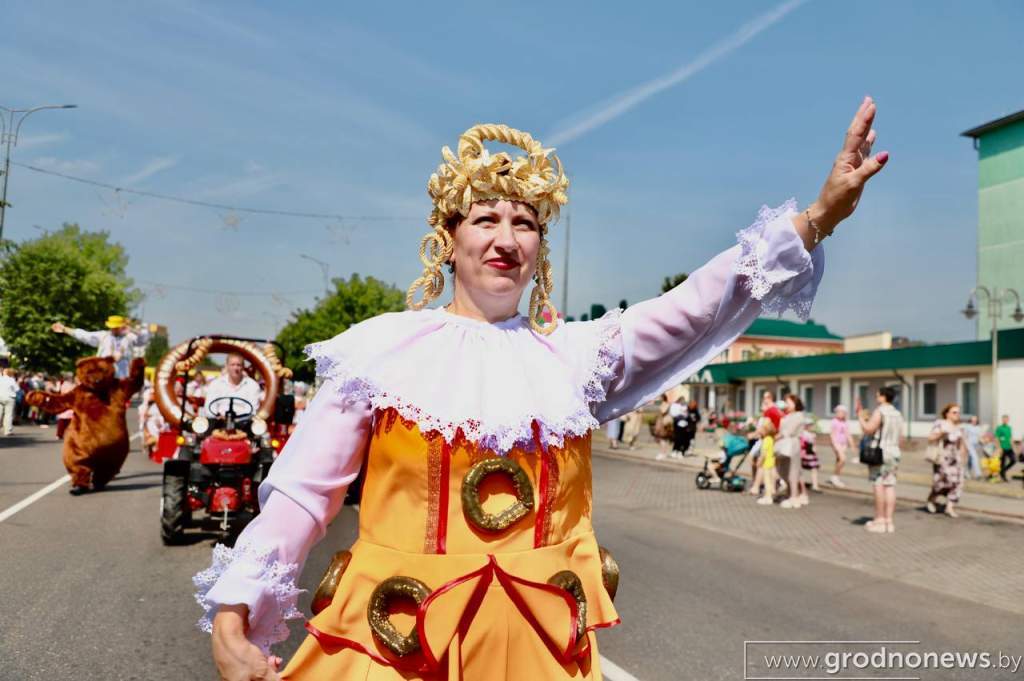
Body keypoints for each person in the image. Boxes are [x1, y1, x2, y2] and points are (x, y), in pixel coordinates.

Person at [198, 102, 884, 680]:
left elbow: (695, 305)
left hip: (543, 657)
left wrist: (818, 215)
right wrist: (234, 613)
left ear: (539, 247)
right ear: (448, 237)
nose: (504, 240)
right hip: (397, 651)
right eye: (484, 219)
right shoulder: (382, 350)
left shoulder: (574, 357)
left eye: (523, 223)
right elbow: (301, 495)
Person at [858, 386, 904, 533]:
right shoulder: (897, 413)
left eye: (877, 396)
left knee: (878, 485)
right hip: (894, 452)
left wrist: (860, 417)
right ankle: (889, 521)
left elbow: (869, 429)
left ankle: (879, 520)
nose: (876, 398)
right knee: (890, 485)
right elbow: (900, 437)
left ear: (883, 397)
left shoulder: (880, 411)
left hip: (880, 452)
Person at [51, 316, 150, 379]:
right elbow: (84, 335)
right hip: (104, 376)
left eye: (116, 327)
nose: (114, 329)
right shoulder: (103, 336)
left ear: (121, 327)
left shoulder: (129, 337)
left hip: (122, 377)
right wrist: (65, 329)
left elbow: (144, 339)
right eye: (112, 327)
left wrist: (132, 329)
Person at [927, 403, 967, 518]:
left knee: (957, 483)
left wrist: (963, 458)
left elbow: (962, 444)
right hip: (943, 458)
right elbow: (930, 438)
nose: (957, 415)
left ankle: (949, 507)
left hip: (956, 459)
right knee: (941, 482)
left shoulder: (960, 427)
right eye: (954, 412)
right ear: (947, 414)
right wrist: (941, 433)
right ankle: (931, 499)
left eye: (958, 412)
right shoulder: (940, 424)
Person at [204, 354, 264, 418]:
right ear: (227, 366)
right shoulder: (216, 384)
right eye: (232, 365)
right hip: (218, 422)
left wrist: (234, 417)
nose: (235, 368)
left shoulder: (252, 385)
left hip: (244, 423)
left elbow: (252, 410)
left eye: (238, 365)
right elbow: (209, 407)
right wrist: (217, 416)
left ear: (243, 367)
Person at [776, 394, 808, 509]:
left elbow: (788, 431)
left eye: (789, 402)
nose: (786, 404)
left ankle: (794, 496)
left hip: (792, 444)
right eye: (786, 402)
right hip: (785, 444)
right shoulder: (786, 416)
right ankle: (794, 494)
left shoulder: (798, 416)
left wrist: (776, 437)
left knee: (793, 471)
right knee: (784, 470)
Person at [829, 405, 854, 487]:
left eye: (843, 412)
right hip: (836, 443)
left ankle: (836, 477)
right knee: (843, 459)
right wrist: (834, 445)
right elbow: (832, 434)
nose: (840, 414)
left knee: (839, 460)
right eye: (839, 412)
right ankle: (835, 477)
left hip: (844, 444)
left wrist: (852, 445)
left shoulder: (845, 422)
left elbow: (848, 434)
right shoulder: (834, 421)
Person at [756, 420, 778, 505]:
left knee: (767, 481)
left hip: (766, 463)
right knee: (771, 481)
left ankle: (768, 497)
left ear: (765, 430)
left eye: (761, 429)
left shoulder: (765, 440)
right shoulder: (771, 439)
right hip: (772, 462)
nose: (759, 431)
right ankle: (769, 496)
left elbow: (763, 454)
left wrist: (759, 462)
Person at [963, 415, 983, 480]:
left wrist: (983, 442)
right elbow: (965, 436)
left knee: (970, 460)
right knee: (975, 458)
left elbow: (979, 437)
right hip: (969, 444)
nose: (974, 421)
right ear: (971, 420)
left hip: (976, 445)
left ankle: (966, 473)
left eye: (975, 420)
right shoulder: (968, 427)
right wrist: (965, 446)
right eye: (973, 420)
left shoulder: (978, 428)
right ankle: (978, 474)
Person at [994, 414, 1014, 482]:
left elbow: (1010, 437)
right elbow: (996, 438)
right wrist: (999, 448)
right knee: (1002, 463)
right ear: (1002, 420)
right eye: (1004, 419)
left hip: (1009, 447)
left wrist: (1013, 445)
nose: (1005, 420)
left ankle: (1002, 471)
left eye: (1006, 419)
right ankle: (1003, 476)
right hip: (1002, 448)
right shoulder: (999, 428)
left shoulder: (1009, 428)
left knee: (1013, 460)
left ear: (1008, 420)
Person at [0, 368, 18, 436]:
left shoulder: (0, 378)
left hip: (0, 397)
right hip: (10, 397)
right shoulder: (11, 380)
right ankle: (7, 430)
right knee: (8, 415)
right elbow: (17, 389)